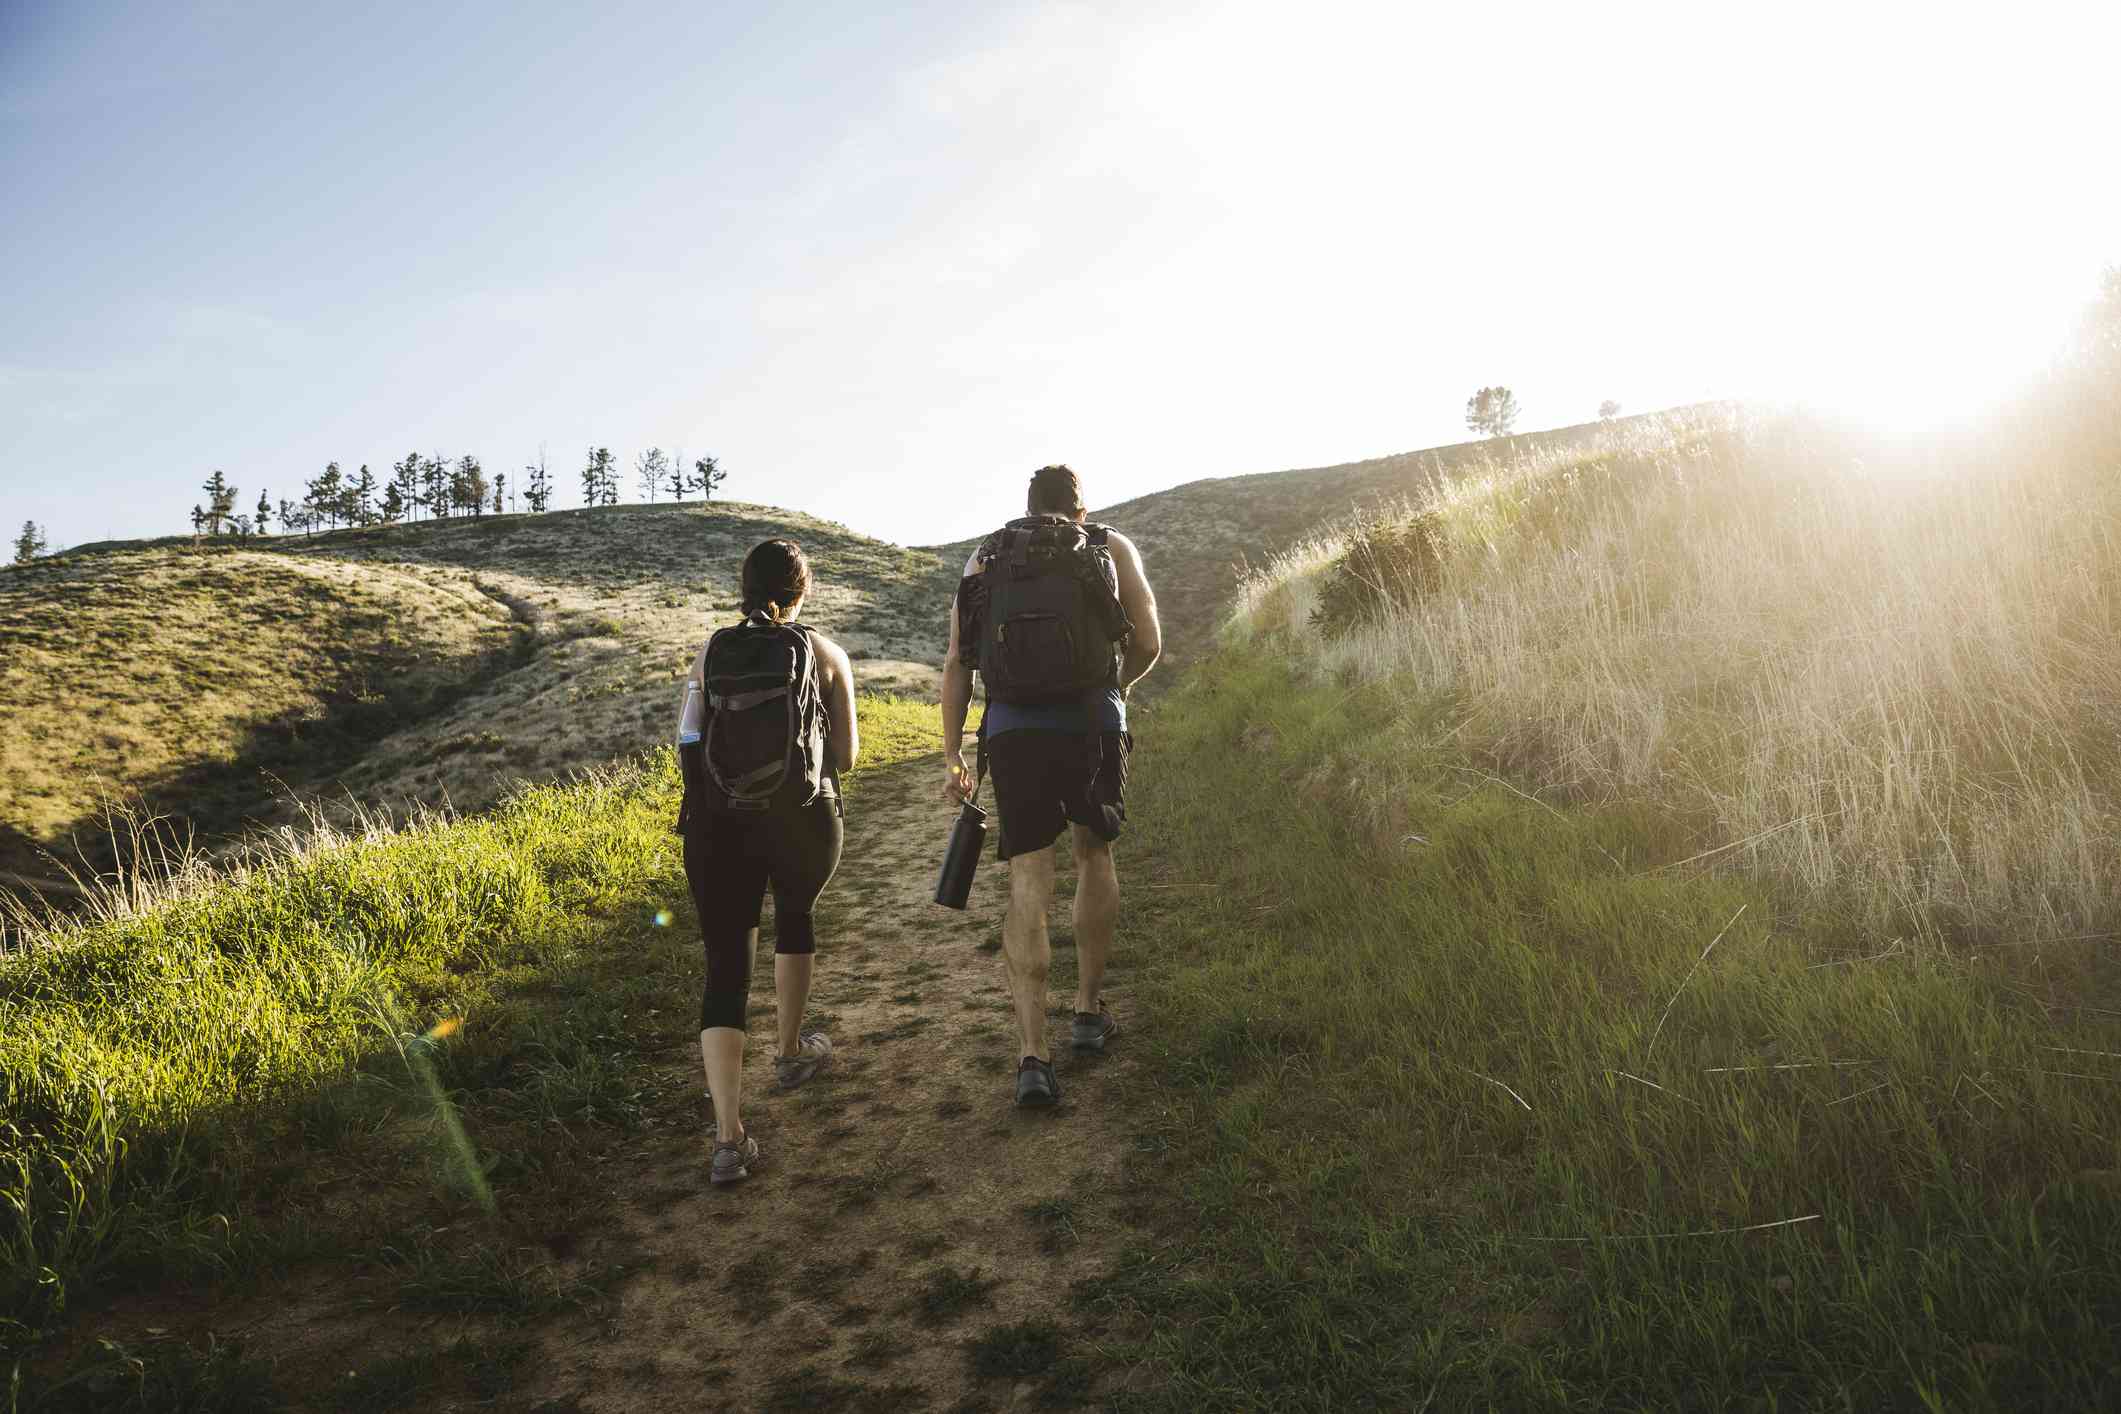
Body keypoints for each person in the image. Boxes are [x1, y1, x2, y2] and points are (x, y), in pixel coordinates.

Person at [941, 465, 1161, 1107]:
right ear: (1080, 510)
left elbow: (958, 660)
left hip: (1011, 730)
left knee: (1028, 875)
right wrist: (1115, 690)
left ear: (1028, 507)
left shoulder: (986, 555)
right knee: (1095, 852)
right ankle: (1088, 1013)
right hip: (1090, 721)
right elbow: (1148, 641)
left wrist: (953, 750)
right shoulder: (1110, 547)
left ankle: (1032, 1055)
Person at [679, 539, 859, 1184]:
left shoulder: (711, 651)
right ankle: (789, 1052)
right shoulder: (826, 652)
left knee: (726, 966)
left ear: (745, 588)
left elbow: (689, 740)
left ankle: (729, 1138)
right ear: (803, 590)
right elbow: (846, 754)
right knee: (796, 916)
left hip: (716, 825)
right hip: (802, 816)